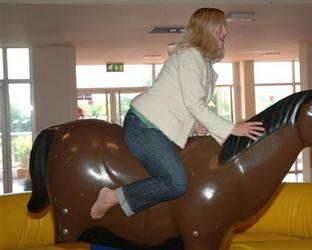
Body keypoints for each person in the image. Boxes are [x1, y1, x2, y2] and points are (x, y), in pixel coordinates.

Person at [90, 7, 264, 219]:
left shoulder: (205, 64)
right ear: (206, 29)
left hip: (159, 128)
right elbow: (193, 104)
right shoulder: (190, 55)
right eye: (220, 27)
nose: (225, 32)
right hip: (144, 126)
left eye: (225, 28)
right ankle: (111, 197)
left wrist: (195, 125)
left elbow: (186, 104)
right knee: (176, 182)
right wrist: (232, 128)